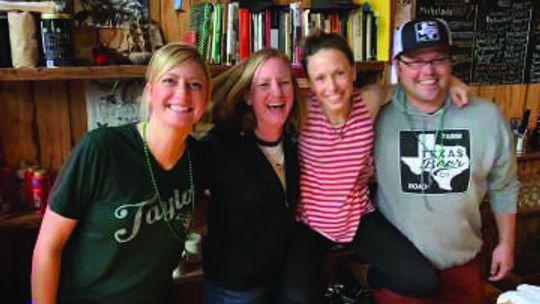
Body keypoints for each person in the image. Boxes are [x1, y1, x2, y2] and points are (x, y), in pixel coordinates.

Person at [31, 43, 210, 304]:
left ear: (206, 99)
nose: (182, 93)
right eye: (170, 80)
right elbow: (48, 247)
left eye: (195, 85)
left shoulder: (199, 158)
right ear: (150, 92)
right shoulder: (101, 150)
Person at [372, 18, 519, 303]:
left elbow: (505, 185)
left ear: (451, 63)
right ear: (398, 65)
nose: (428, 70)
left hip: (463, 269)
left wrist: (507, 244)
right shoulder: (375, 118)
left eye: (438, 59)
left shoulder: (486, 117)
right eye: (415, 61)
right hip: (400, 276)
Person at [202, 48, 304, 303]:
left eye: (283, 83)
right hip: (235, 289)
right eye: (264, 85)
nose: (277, 93)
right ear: (247, 95)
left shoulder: (296, 141)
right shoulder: (221, 145)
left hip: (281, 280)